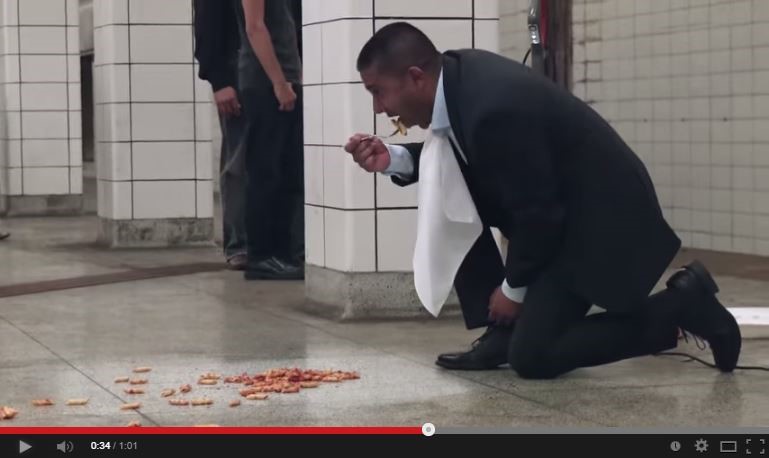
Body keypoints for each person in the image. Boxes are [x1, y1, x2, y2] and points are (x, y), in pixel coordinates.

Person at [344, 22, 741, 379]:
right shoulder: (456, 79)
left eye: (378, 92)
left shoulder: (491, 107)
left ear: (415, 78)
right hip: (562, 216)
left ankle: (682, 306)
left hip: (597, 222)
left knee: (536, 356)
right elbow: (451, 162)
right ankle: (503, 335)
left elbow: (540, 214)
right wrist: (391, 158)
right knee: (453, 195)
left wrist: (513, 289)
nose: (379, 107)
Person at [235, 0, 305, 280]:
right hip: (265, 84)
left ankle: (282, 253)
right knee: (266, 173)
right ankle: (263, 255)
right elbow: (255, 27)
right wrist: (278, 81)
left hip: (283, 81)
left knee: (286, 174)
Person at [193, 0, 248, 270]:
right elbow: (207, 25)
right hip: (235, 71)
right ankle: (240, 244)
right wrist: (220, 80)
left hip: (274, 70)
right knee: (239, 159)